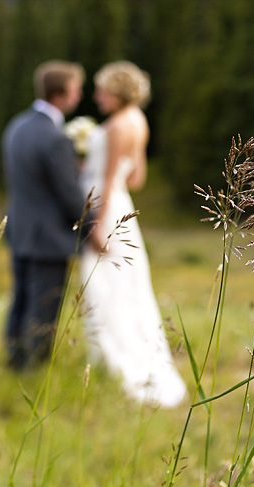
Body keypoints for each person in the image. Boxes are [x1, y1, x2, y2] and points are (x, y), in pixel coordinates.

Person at [79, 61, 186, 408]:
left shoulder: (114, 128)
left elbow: (109, 180)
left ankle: (115, 362)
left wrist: (95, 224)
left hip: (106, 211)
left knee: (104, 286)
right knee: (130, 287)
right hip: (124, 209)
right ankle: (137, 357)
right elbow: (135, 178)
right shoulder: (139, 121)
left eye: (102, 90)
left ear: (117, 92)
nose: (97, 97)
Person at [2, 60, 89, 370]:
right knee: (44, 307)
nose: (79, 96)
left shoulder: (16, 126)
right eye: (76, 89)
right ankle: (34, 371)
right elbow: (70, 196)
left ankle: (14, 361)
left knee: (21, 299)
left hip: (19, 230)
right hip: (48, 238)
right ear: (61, 93)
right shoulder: (55, 138)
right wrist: (92, 229)